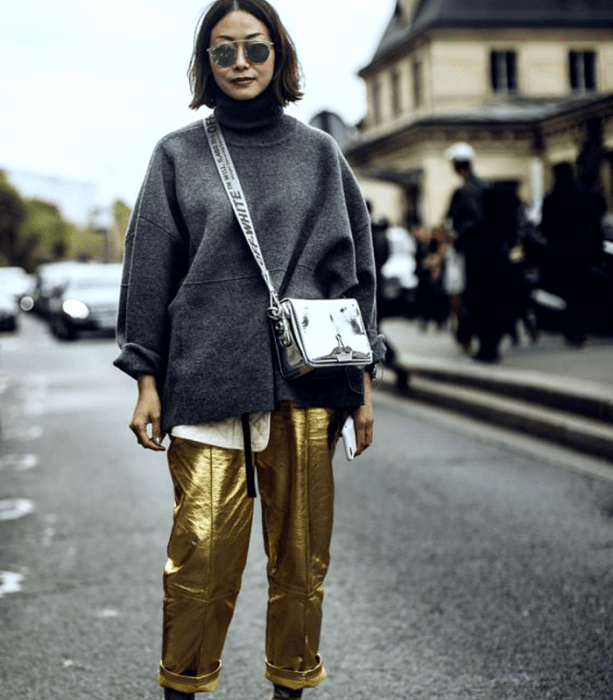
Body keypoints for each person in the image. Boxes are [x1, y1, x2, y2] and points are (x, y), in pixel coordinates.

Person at [113, 2, 385, 699]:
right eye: (224, 51)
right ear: (205, 63)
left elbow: (354, 276)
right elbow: (149, 269)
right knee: (200, 557)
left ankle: (289, 689)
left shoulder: (319, 155)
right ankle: (183, 686)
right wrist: (145, 374)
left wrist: (362, 384)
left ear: (279, 57)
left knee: (300, 560)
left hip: (307, 383)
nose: (240, 64)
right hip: (204, 380)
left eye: (255, 50)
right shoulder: (177, 154)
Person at [445, 142, 517, 362]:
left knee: (480, 301)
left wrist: (459, 237)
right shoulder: (486, 186)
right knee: (493, 300)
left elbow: (474, 220)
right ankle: (490, 345)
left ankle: (487, 349)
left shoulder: (467, 191)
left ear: (456, 166)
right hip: (496, 253)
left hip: (478, 256)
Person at [540, 162, 604, 346]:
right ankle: (581, 327)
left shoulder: (552, 198)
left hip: (560, 252)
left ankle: (571, 329)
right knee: (581, 289)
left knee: (566, 292)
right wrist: (595, 247)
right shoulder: (585, 195)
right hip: (582, 251)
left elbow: (545, 227)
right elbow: (595, 223)